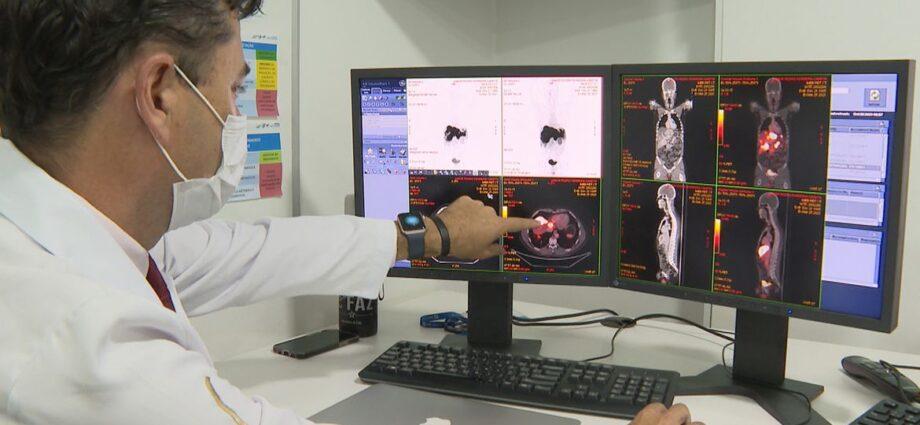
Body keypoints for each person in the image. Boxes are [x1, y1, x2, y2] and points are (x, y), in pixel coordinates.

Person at [0, 1, 702, 424]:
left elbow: (243, 251)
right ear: (160, 93)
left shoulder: (58, 237)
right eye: (233, 91)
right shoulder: (87, 343)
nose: (234, 117)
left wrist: (431, 235)